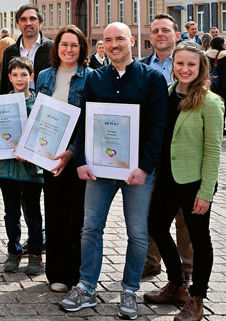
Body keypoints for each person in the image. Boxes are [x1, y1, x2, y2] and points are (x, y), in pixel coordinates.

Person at [60, 22, 167, 320]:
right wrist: (80, 159)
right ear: (103, 45)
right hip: (99, 168)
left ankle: (130, 289)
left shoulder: (153, 78)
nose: (114, 44)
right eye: (108, 40)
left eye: (120, 38)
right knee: (90, 228)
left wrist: (145, 167)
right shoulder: (95, 78)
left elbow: (158, 127)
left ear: (132, 40)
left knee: (136, 232)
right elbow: (84, 120)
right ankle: (86, 287)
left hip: (137, 172)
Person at [145, 43, 223, 321]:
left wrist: (206, 192)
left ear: (201, 67)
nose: (185, 69)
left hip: (195, 182)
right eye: (180, 64)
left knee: (200, 240)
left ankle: (197, 299)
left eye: (191, 64)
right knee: (155, 225)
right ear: (173, 65)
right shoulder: (165, 95)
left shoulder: (211, 102)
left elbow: (214, 150)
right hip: (166, 178)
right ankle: (177, 283)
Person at [35, 25, 91, 293]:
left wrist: (72, 150)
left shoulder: (90, 78)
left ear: (82, 50)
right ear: (56, 48)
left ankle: (76, 272)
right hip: (49, 156)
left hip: (75, 156)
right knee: (55, 214)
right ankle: (56, 272)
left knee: (76, 217)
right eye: (64, 45)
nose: (68, 50)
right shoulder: (45, 75)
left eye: (74, 45)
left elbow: (90, 120)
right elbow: (38, 114)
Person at [0, 57, 43, 275]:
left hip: (32, 171)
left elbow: (43, 135)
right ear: (9, 78)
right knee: (11, 213)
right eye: (15, 75)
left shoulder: (39, 103)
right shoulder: (0, 103)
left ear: (31, 77)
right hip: (7, 169)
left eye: (24, 74)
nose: (19, 79)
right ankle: (13, 252)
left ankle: (35, 255)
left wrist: (30, 151)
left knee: (33, 214)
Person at [139, 14, 193, 281]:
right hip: (150, 148)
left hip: (180, 149)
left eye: (166, 30)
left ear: (176, 34)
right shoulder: (142, 66)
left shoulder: (187, 64)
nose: (161, 34)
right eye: (156, 31)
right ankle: (152, 261)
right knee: (150, 207)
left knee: (184, 213)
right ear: (150, 38)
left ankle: (187, 265)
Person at [0, 4, 53, 92]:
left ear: (41, 23)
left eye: (32, 19)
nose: (28, 23)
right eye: (23, 19)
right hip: (17, 103)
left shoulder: (53, 49)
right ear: (18, 24)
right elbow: (4, 85)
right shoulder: (9, 52)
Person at [205, 36, 226, 101]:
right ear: (221, 44)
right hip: (223, 82)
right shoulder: (224, 55)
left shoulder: (207, 54)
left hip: (210, 81)